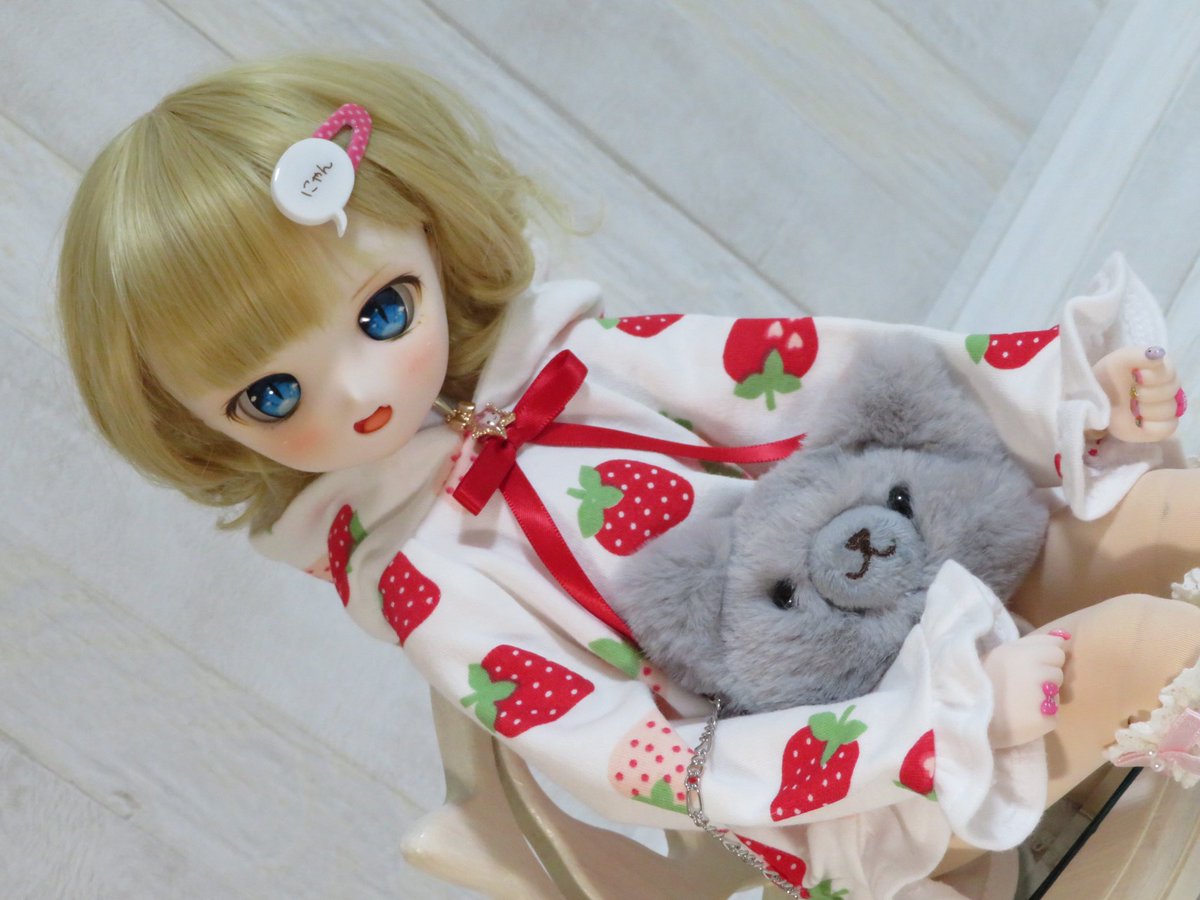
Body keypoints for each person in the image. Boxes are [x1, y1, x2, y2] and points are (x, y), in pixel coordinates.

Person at [56, 55, 1200, 898]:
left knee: (1162, 512)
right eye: (270, 397)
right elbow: (630, 760)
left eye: (382, 311)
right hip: (853, 773)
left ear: (430, 234)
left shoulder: (583, 361)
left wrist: (1065, 390)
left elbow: (833, 369)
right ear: (196, 431)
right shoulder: (431, 585)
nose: (357, 390)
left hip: (922, 574)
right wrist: (921, 726)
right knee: (1137, 644)